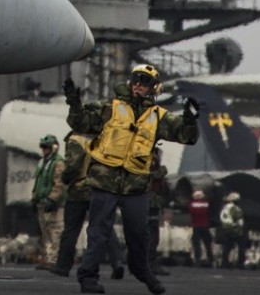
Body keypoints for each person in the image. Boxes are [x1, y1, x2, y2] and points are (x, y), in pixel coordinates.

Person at [64, 64, 199, 294]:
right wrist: (74, 103)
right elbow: (80, 123)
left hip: (135, 186)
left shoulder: (159, 117)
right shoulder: (110, 107)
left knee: (139, 233)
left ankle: (141, 270)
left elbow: (187, 136)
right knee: (98, 232)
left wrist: (190, 118)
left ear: (154, 87)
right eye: (136, 78)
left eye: (145, 80)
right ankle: (87, 277)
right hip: (105, 181)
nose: (138, 83)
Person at [52, 132, 125, 280]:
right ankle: (117, 262)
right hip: (99, 188)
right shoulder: (104, 136)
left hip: (79, 189)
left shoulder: (76, 139)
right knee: (105, 227)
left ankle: (63, 266)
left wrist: (65, 178)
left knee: (71, 230)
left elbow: (73, 165)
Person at [31, 134, 66, 269]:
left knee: (55, 231)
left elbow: (59, 183)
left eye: (46, 147)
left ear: (54, 147)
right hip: (41, 202)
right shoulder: (43, 163)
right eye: (43, 147)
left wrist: (52, 199)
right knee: (45, 232)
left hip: (54, 205)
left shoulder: (58, 163)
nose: (44, 149)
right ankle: (48, 258)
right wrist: (34, 198)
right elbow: (38, 182)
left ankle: (54, 260)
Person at [147, 150, 170, 275]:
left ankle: (141, 263)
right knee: (152, 235)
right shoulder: (150, 160)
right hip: (150, 202)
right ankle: (150, 263)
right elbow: (152, 176)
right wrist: (162, 170)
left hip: (149, 202)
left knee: (146, 234)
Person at [218, 191, 246, 269]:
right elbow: (239, 219)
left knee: (227, 247)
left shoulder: (224, 207)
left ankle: (224, 263)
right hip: (235, 229)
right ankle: (240, 263)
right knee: (241, 246)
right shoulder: (235, 208)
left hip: (226, 228)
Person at [188, 190, 213, 267]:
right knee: (207, 244)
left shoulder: (192, 204)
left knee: (196, 244)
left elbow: (191, 213)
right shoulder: (206, 204)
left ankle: (197, 261)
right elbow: (209, 213)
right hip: (205, 225)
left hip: (196, 226)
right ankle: (211, 260)